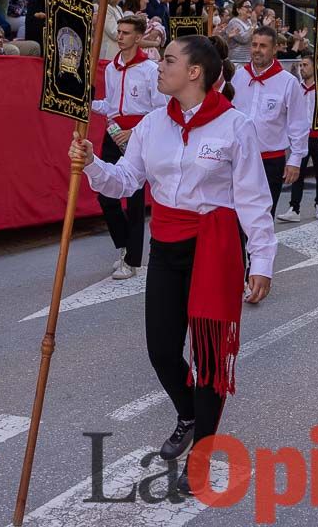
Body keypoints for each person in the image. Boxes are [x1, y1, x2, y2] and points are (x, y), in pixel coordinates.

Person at [70, 35, 275, 497]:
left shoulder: (235, 126)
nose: (159, 68)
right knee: (161, 350)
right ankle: (189, 413)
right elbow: (126, 181)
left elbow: (254, 200)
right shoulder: (151, 126)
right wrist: (91, 164)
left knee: (209, 360)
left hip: (214, 249)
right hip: (166, 245)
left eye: (167, 60)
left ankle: (201, 451)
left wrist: (260, 260)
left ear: (195, 72)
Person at [91, 14, 168, 279]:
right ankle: (123, 246)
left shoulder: (150, 69)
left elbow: (160, 108)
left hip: (138, 135)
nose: (120, 36)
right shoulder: (112, 68)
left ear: (138, 37)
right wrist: (87, 104)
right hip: (113, 134)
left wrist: (133, 131)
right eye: (119, 32)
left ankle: (133, 259)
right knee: (105, 193)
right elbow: (111, 105)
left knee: (134, 199)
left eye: (125, 33)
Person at [231, 26, 309, 215]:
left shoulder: (288, 82)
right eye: (254, 45)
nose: (257, 50)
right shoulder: (237, 77)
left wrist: (295, 159)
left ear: (275, 49)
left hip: (270, 162)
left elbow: (298, 124)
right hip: (238, 159)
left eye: (263, 46)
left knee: (264, 216)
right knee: (236, 216)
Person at [285, 57, 318, 222]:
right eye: (300, 65)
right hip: (302, 137)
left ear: (314, 67)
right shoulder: (297, 88)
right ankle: (294, 208)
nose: (302, 68)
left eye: (305, 65)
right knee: (298, 171)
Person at [224, 0, 255, 64]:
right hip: (237, 61)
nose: (250, 9)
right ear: (238, 10)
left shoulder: (250, 21)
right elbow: (244, 39)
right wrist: (254, 25)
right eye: (246, 7)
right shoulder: (234, 22)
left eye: (250, 7)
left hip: (249, 59)